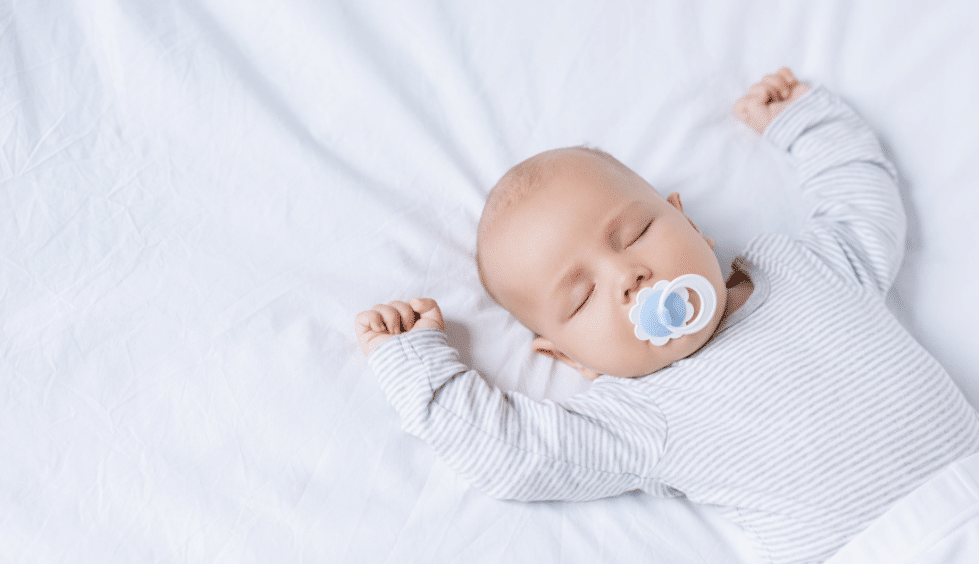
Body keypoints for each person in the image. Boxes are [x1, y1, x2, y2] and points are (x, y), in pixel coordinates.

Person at [354, 69, 979, 564]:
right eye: (581, 298)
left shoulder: (803, 266)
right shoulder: (636, 416)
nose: (628, 277)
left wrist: (807, 123)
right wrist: (422, 371)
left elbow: (860, 204)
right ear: (567, 357)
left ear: (692, 224)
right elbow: (512, 452)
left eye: (634, 234)